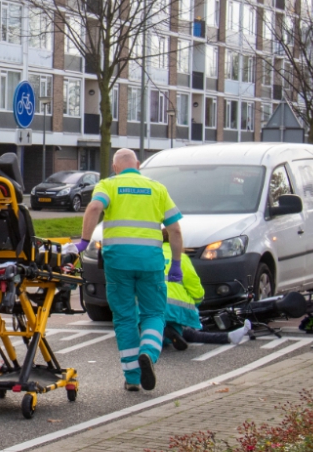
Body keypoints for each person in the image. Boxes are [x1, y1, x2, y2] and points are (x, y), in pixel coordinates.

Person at [78, 149, 182, 393]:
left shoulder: (109, 185)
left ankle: (133, 377)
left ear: (115, 168)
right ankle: (148, 352)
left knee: (124, 318)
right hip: (150, 263)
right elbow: (175, 230)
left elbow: (94, 208)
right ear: (137, 165)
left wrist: (83, 242)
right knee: (154, 313)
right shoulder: (157, 188)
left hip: (118, 263)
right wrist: (176, 264)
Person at [160, 228, 252, 349]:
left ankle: (165, 334)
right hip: (177, 308)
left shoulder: (149, 257)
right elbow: (195, 288)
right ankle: (227, 337)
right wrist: (197, 303)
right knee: (188, 332)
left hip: (147, 308)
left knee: (148, 328)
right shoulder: (181, 258)